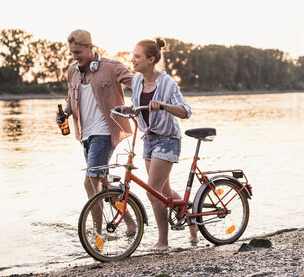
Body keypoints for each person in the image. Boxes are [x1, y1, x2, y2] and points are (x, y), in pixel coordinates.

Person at [117, 38, 198, 251]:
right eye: (132, 55)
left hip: (168, 139)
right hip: (149, 140)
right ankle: (193, 224)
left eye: (137, 56)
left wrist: (163, 105)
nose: (132, 59)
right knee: (165, 193)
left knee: (152, 192)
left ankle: (163, 241)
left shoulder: (167, 83)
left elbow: (186, 111)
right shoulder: (136, 81)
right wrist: (129, 108)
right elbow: (138, 104)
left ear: (151, 59)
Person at [56, 29, 134, 200]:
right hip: (85, 135)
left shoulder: (112, 67)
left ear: (90, 47)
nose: (75, 57)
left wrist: (134, 106)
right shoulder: (72, 72)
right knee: (102, 184)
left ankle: (96, 228)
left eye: (78, 52)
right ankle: (130, 223)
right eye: (72, 53)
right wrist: (66, 113)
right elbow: (71, 99)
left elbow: (139, 84)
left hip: (105, 132)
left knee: (90, 182)